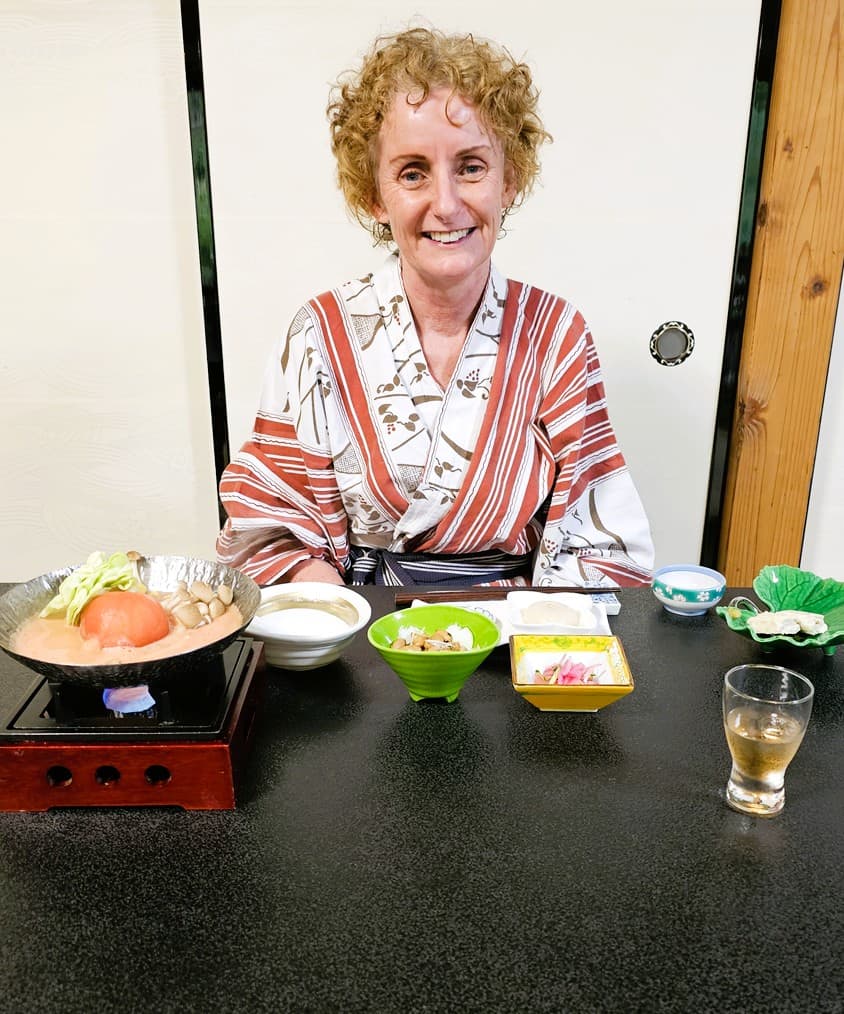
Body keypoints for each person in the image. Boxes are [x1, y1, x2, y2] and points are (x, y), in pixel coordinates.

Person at [217, 26, 654, 588]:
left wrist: (539, 624)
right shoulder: (319, 334)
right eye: (412, 173)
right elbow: (271, 526)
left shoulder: (555, 335)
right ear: (374, 195)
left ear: (509, 180)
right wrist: (322, 595)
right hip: (365, 622)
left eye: (471, 167)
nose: (446, 204)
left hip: (510, 627)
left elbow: (596, 539)